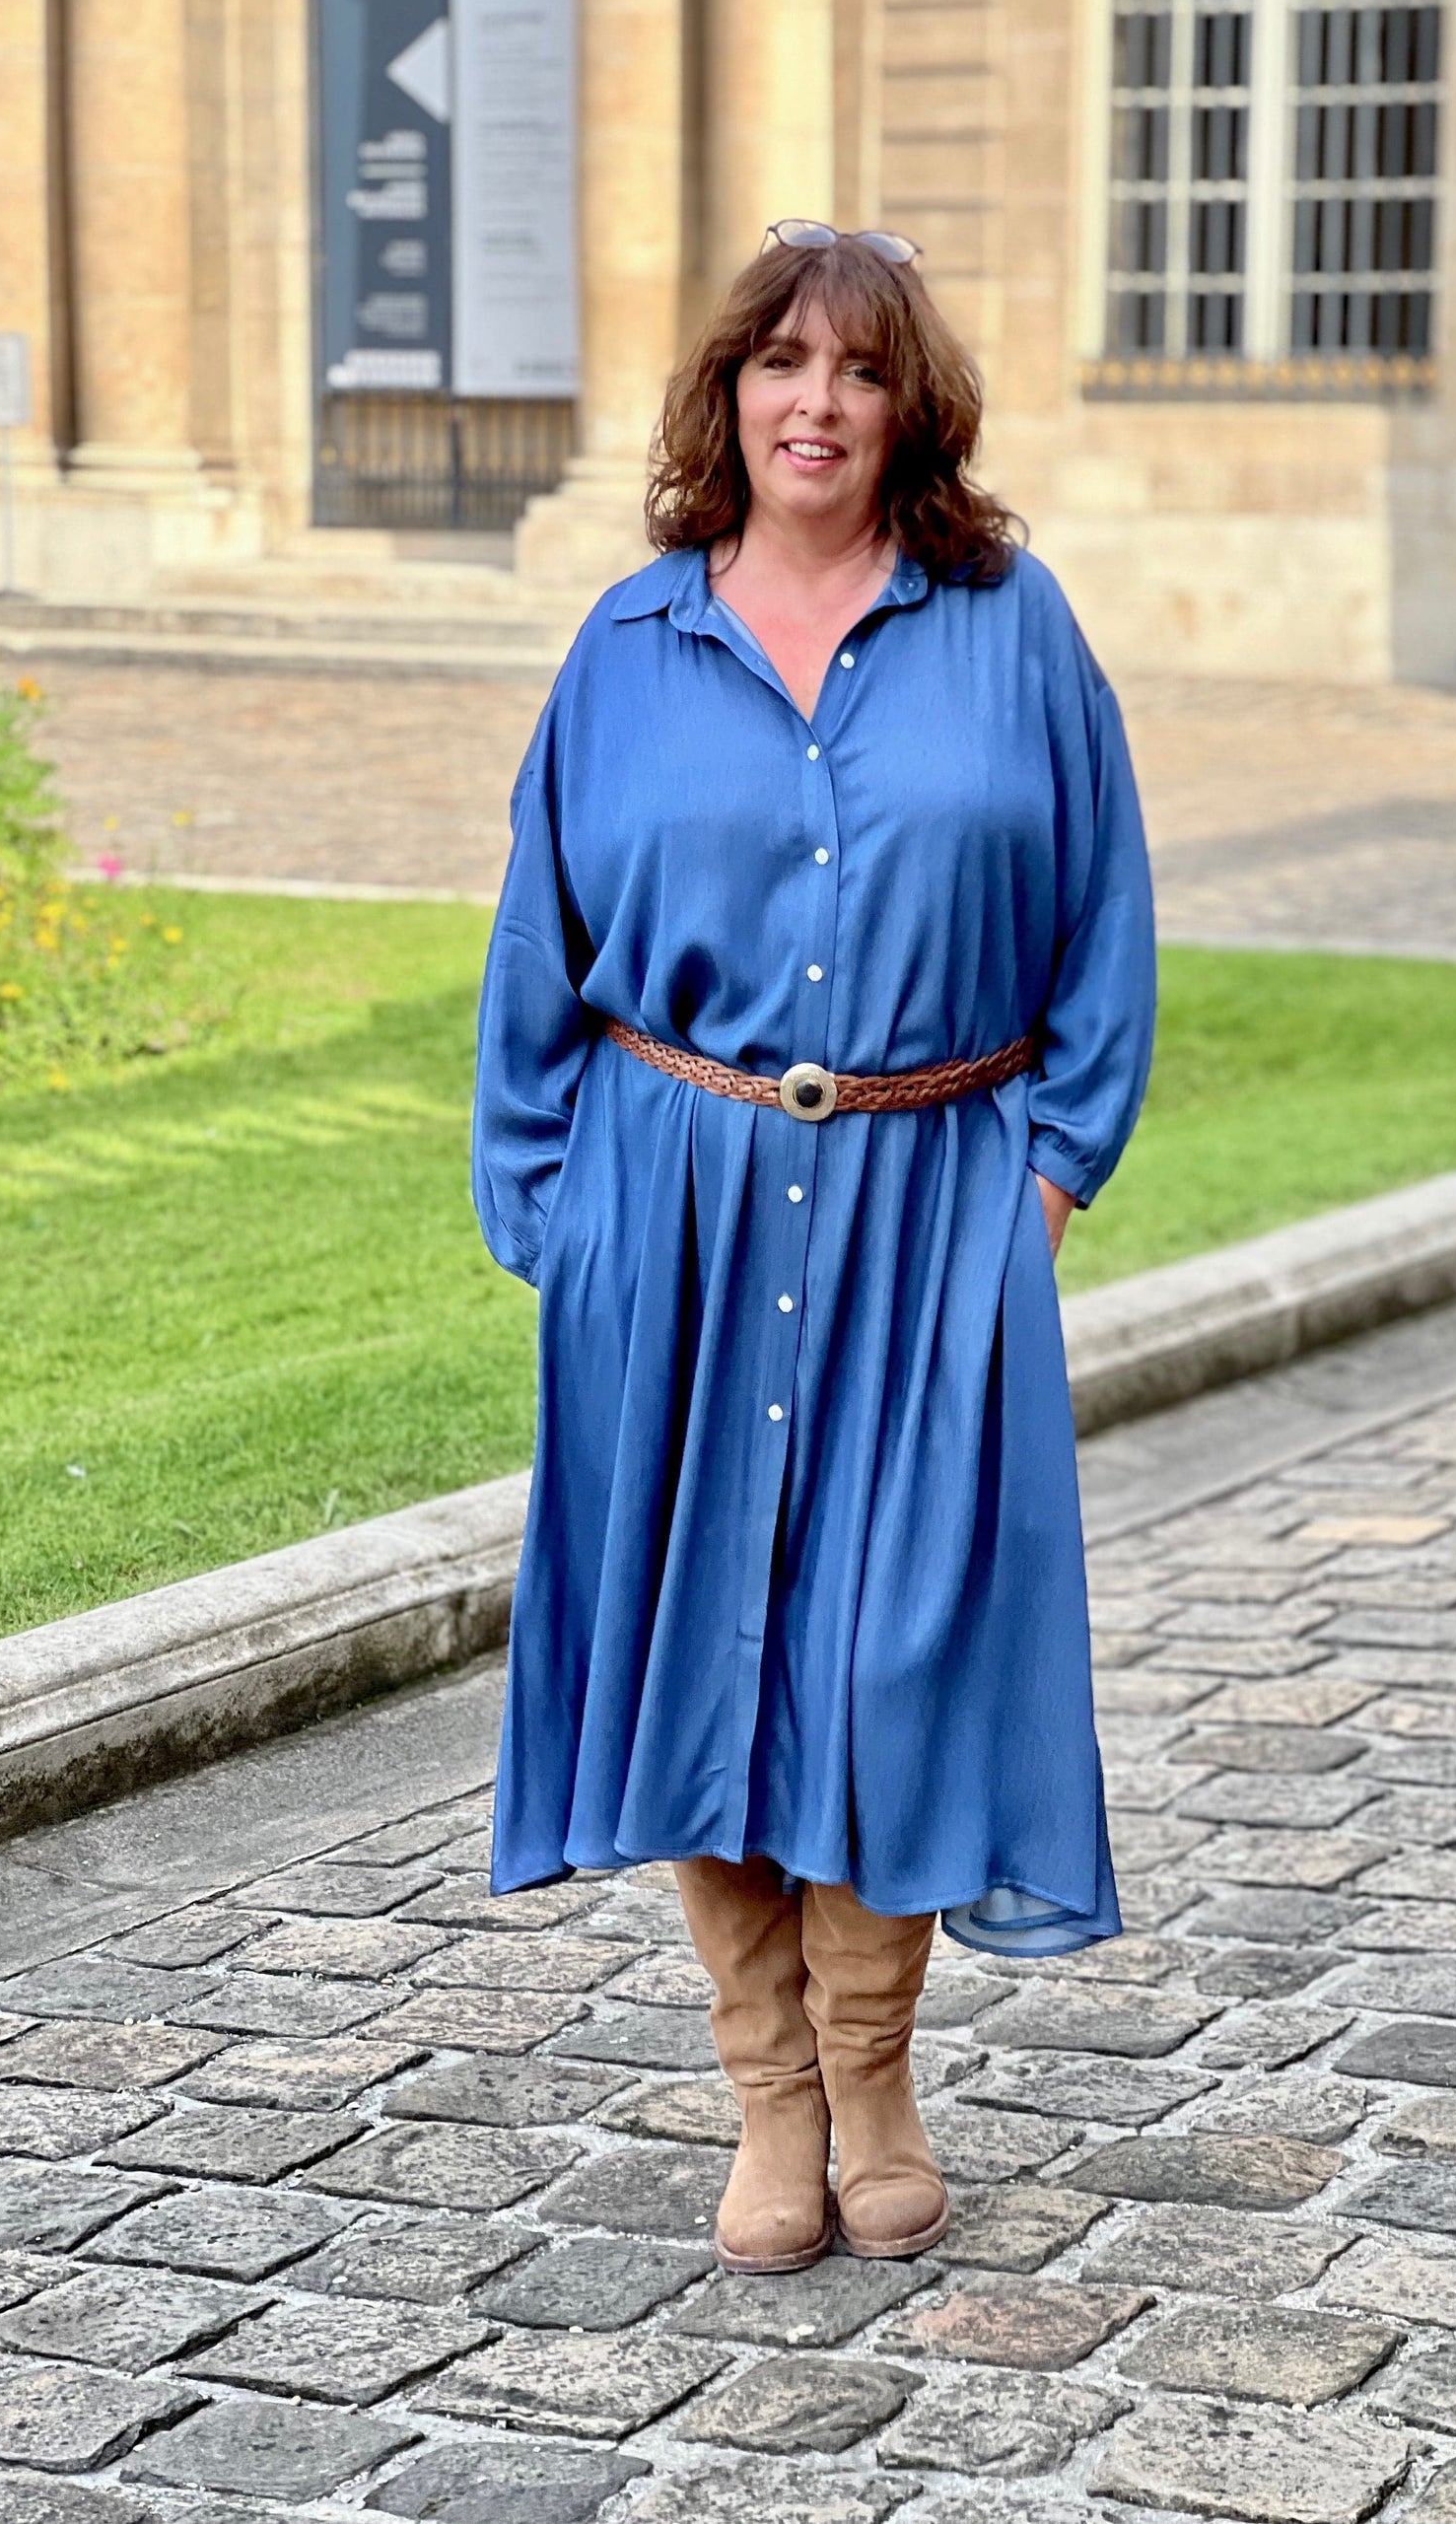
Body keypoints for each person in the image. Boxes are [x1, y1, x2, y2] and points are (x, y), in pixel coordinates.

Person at [472, 223, 1156, 2274]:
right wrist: (559, 1209)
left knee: (893, 1648)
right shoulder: (627, 643)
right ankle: (769, 2095)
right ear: (725, 397)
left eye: (857, 370)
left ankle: (876, 2068)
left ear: (909, 407)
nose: (815, 402)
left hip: (930, 1200)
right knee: (700, 1646)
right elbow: (538, 947)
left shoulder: (1008, 626)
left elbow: (1101, 920)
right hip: (665, 1211)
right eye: (778, 363)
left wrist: (1037, 1179)